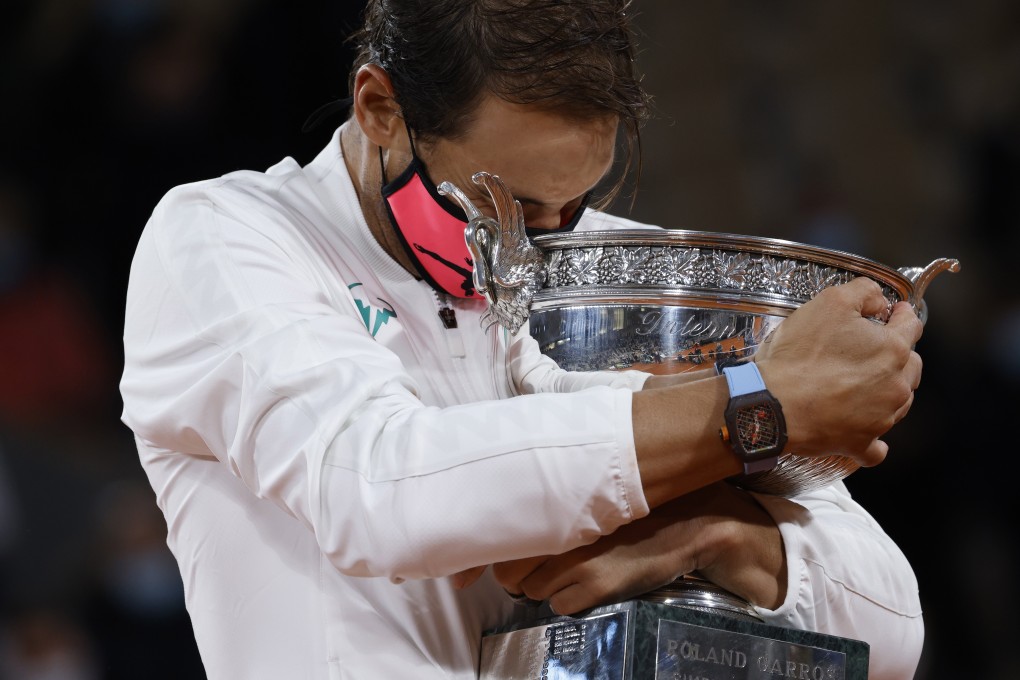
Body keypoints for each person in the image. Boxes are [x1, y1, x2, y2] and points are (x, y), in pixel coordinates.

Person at [119, 1, 925, 678]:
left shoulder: (609, 269)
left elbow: (890, 633)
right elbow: (378, 490)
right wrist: (748, 409)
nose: (535, 254)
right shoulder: (224, 240)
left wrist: (722, 535)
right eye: (504, 208)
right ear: (379, 108)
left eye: (573, 205)